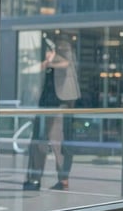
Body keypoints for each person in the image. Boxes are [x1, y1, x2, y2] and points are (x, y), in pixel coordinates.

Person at [23, 37, 81, 191]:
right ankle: (34, 179)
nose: (48, 53)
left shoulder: (63, 46)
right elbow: (31, 71)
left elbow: (67, 63)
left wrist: (49, 61)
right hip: (44, 103)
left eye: (50, 49)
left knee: (59, 142)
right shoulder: (45, 60)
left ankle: (62, 179)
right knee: (37, 141)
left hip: (60, 102)